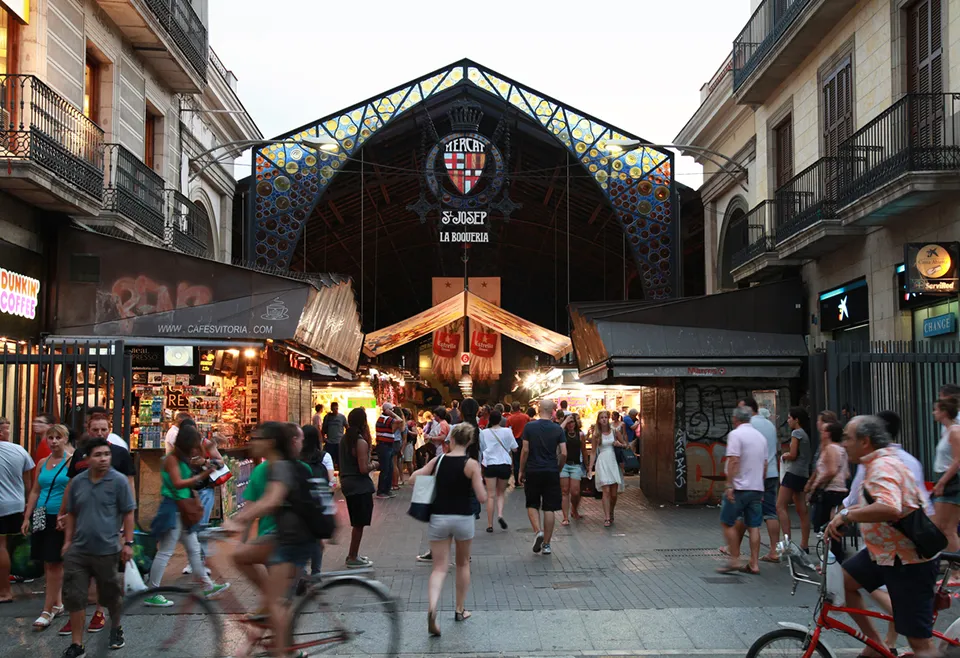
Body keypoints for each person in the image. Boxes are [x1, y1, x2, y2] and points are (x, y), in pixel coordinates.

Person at [825, 416, 940, 658]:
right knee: (843, 583)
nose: (843, 443)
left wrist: (847, 518)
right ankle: (876, 646)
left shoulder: (882, 466)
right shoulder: (878, 463)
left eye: (848, 438)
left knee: (920, 644)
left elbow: (890, 508)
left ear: (865, 441)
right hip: (884, 553)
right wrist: (845, 514)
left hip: (907, 560)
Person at [223, 422, 317, 658]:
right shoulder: (270, 467)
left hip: (293, 540)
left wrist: (240, 521)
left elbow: (271, 500)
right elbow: (259, 502)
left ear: (271, 443)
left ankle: (284, 652)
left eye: (257, 438)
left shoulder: (282, 467)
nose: (252, 442)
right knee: (239, 556)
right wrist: (240, 524)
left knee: (275, 604)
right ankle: (270, 610)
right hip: (281, 538)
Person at [56, 415, 136, 637]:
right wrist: (68, 540)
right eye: (96, 429)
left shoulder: (119, 468)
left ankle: (114, 626)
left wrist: (128, 539)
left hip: (108, 542)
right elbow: (71, 500)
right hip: (79, 545)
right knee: (75, 592)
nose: (103, 459)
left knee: (109, 592)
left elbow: (129, 502)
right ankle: (77, 641)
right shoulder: (79, 473)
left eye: (104, 429)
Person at [412, 423, 487, 636]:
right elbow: (481, 497)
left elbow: (413, 478)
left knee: (439, 568)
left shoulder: (439, 460)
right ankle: (460, 610)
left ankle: (433, 608)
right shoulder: (472, 464)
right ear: (470, 442)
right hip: (463, 518)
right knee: (463, 564)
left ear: (451, 440)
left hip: (439, 518)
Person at [145, 423, 229, 606]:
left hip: (181, 508)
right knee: (166, 550)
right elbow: (178, 483)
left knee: (193, 548)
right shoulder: (171, 460)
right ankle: (153, 591)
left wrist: (204, 465)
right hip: (174, 508)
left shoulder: (180, 459)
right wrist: (202, 475)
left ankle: (207, 585)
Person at [22, 424, 72, 629]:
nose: (53, 441)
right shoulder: (43, 462)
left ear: (65, 439)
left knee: (54, 562)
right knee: (46, 560)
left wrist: (67, 514)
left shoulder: (71, 462)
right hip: (41, 513)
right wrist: (27, 517)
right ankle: (57, 603)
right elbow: (35, 490)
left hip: (58, 515)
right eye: (50, 438)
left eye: (57, 437)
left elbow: (74, 490)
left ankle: (47, 608)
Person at [717, 407, 767, 575]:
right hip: (757, 487)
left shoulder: (736, 435)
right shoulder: (761, 437)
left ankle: (734, 559)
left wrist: (729, 485)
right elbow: (765, 464)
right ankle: (754, 563)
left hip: (739, 488)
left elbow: (733, 460)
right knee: (754, 526)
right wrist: (762, 484)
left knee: (727, 522)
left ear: (735, 419)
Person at [519, 400, 566, 556]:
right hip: (551, 470)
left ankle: (538, 531)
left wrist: (521, 470)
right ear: (553, 410)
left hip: (533, 469)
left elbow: (525, 450)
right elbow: (564, 453)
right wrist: (558, 468)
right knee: (549, 507)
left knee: (532, 503)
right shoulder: (558, 429)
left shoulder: (529, 427)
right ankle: (546, 544)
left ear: (539, 410)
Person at [0, 418, 35, 603]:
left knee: (1, 547)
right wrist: (28, 505)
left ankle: (4, 591)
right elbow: (28, 482)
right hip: (16, 504)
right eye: (7, 430)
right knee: (9, 545)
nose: (8, 433)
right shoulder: (19, 450)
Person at [339, 409, 378, 568]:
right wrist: (374, 464)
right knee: (359, 524)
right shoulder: (360, 441)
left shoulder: (344, 439)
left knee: (357, 523)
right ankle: (352, 556)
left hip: (347, 482)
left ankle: (353, 554)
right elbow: (363, 468)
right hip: (359, 485)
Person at [805, 421, 848, 560]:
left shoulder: (830, 448)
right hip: (840, 489)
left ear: (828, 433)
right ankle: (834, 558)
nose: (821, 433)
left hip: (829, 490)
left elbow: (830, 471)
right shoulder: (841, 449)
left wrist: (815, 485)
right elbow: (846, 473)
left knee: (825, 526)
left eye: (823, 431)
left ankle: (831, 560)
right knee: (833, 524)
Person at [300, 424, 334, 579]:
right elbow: (331, 480)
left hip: (300, 503)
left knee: (300, 539)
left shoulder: (296, 457)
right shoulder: (324, 456)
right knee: (317, 540)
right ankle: (316, 573)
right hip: (318, 502)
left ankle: (301, 573)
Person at [777, 406, 812, 552]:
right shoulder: (806, 434)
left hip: (792, 473)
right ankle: (804, 544)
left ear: (796, 419)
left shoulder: (796, 433)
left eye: (790, 418)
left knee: (780, 506)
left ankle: (787, 541)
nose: (788, 420)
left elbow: (793, 454)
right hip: (803, 473)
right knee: (802, 509)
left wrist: (785, 456)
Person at [479, 409, 517, 533]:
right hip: (504, 465)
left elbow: (481, 448)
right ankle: (500, 515)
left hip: (490, 465)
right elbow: (515, 448)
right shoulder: (507, 431)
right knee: (500, 493)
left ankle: (490, 525)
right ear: (500, 419)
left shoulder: (484, 433)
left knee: (491, 495)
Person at [587, 410, 625, 527]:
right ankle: (607, 517)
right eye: (601, 417)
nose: (604, 419)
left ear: (608, 419)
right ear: (598, 420)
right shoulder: (596, 435)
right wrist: (590, 468)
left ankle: (611, 511)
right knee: (606, 491)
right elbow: (593, 452)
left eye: (605, 417)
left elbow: (626, 445)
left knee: (614, 494)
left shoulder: (614, 432)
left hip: (612, 462)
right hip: (602, 461)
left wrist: (620, 444)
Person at [932, 396, 960, 553]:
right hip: (946, 479)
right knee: (942, 527)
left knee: (947, 528)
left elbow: (958, 460)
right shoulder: (949, 431)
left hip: (950, 481)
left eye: (936, 409)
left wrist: (942, 482)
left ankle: (956, 570)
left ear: (944, 412)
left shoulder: (955, 431)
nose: (933, 412)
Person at [559, 412, 585, 525]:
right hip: (564, 465)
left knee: (575, 492)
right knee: (564, 491)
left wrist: (588, 466)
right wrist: (564, 422)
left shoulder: (580, 434)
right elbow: (557, 431)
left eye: (572, 422)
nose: (570, 424)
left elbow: (584, 450)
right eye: (568, 422)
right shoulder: (562, 433)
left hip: (576, 465)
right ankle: (565, 517)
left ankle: (574, 508)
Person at [374, 404, 402, 499]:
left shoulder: (386, 419)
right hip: (384, 446)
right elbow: (400, 420)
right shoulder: (385, 418)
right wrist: (392, 414)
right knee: (385, 469)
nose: (393, 411)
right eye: (391, 409)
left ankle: (386, 490)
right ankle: (381, 491)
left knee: (389, 468)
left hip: (387, 445)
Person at [507, 401, 529, 486]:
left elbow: (508, 430)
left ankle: (517, 481)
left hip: (514, 441)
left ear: (512, 408)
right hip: (524, 441)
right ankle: (524, 478)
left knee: (516, 461)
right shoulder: (526, 417)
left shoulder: (510, 419)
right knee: (525, 460)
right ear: (520, 407)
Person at [321, 401, 346, 470]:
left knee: (340, 462)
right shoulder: (327, 417)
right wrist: (323, 438)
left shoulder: (342, 417)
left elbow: (347, 427)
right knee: (329, 462)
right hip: (330, 443)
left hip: (339, 442)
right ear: (331, 409)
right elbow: (323, 429)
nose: (335, 410)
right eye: (334, 409)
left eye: (336, 409)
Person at [402, 409, 417, 479]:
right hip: (403, 444)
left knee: (409, 462)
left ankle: (412, 477)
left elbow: (415, 433)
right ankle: (402, 478)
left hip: (408, 443)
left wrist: (408, 432)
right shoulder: (402, 422)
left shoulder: (410, 423)